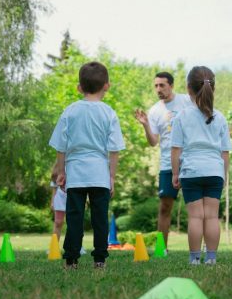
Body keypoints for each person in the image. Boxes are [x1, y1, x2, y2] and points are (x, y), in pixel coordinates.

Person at [50, 61, 125, 270]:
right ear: (106, 86)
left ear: (79, 87)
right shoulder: (108, 113)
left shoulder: (70, 111)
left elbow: (61, 147)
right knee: (100, 219)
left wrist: (61, 172)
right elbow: (114, 149)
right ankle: (99, 259)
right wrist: (111, 177)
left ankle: (71, 259)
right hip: (99, 173)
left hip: (76, 173)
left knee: (74, 219)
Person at [171, 66, 232, 265]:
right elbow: (225, 152)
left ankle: (195, 259)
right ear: (212, 88)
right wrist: (223, 176)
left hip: (191, 171)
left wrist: (175, 173)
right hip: (214, 171)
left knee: (196, 217)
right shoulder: (220, 117)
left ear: (188, 89)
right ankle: (211, 258)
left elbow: (175, 149)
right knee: (212, 217)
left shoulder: (181, 116)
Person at [134, 72, 192, 253]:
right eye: (156, 86)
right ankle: (161, 248)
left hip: (191, 161)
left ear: (171, 85)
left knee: (197, 207)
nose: (158, 89)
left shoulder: (187, 100)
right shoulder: (154, 111)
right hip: (168, 163)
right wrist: (145, 124)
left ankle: (201, 248)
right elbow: (153, 142)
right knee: (165, 206)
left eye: (162, 85)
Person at [49, 169, 67, 246]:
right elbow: (54, 187)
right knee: (58, 222)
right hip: (60, 197)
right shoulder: (59, 166)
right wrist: (52, 201)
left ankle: (78, 246)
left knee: (74, 222)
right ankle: (54, 246)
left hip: (74, 196)